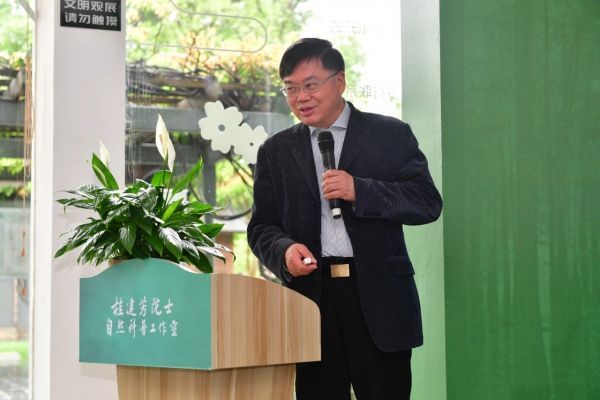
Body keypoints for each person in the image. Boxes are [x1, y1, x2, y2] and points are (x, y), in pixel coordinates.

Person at [247, 38, 442, 400]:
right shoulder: (276, 151)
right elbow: (261, 227)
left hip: (379, 299)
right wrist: (284, 251)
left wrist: (360, 190)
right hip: (312, 299)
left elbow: (426, 202)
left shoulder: (390, 135)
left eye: (311, 85)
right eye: (291, 88)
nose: (301, 97)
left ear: (339, 81)